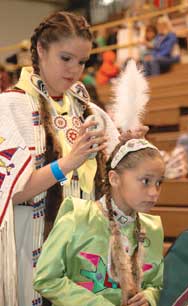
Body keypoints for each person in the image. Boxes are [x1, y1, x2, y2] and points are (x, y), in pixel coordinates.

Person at [0, 11, 123, 306]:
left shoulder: (90, 110)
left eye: (81, 62)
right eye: (65, 58)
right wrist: (68, 163)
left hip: (83, 249)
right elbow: (11, 194)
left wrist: (129, 144)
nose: (74, 70)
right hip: (30, 244)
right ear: (41, 50)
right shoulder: (10, 107)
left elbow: (114, 177)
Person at [33, 138, 165, 306]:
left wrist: (149, 297)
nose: (154, 192)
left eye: (159, 182)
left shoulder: (152, 229)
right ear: (114, 178)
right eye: (146, 181)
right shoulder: (77, 218)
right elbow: (46, 279)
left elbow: (156, 284)